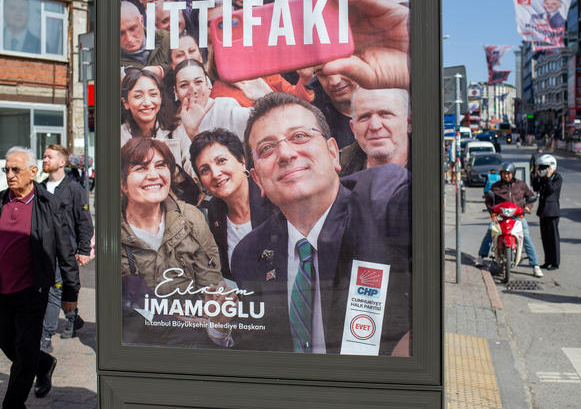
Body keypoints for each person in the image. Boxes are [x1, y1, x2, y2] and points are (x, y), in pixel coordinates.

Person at [231, 92, 411, 354]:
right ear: (257, 180)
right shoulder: (248, 255)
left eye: (300, 136)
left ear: (333, 154)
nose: (286, 153)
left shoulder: (381, 211)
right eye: (267, 148)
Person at [0, 147, 79, 409]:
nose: (10, 175)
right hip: (2, 290)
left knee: (24, 350)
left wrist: (70, 292)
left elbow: (65, 251)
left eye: (16, 169)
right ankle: (45, 363)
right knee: (4, 342)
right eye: (7, 170)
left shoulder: (49, 205)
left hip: (33, 289)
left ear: (33, 172)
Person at [120, 137, 227, 345]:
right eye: (141, 168)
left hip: (189, 339)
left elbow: (211, 282)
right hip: (135, 343)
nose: (153, 175)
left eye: (161, 165)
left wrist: (211, 313)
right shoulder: (112, 228)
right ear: (123, 183)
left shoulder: (191, 218)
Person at [189, 129, 275, 280]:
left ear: (242, 161)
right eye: (205, 170)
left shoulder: (273, 199)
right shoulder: (214, 212)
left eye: (221, 161)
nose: (215, 174)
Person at [39, 145, 93, 352]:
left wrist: (84, 249)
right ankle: (72, 318)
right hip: (44, 251)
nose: (44, 160)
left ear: (62, 162)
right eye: (43, 156)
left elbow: (84, 221)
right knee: (55, 289)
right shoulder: (41, 188)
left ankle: (45, 336)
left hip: (65, 251)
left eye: (49, 157)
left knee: (55, 290)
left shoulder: (74, 189)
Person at [476, 162, 542, 278]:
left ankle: (535, 265)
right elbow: (488, 201)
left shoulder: (521, 185)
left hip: (517, 217)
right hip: (500, 217)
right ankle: (481, 257)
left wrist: (527, 207)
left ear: (513, 174)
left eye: (508, 174)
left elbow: (531, 196)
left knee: (525, 236)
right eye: (504, 174)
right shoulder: (496, 186)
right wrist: (493, 214)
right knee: (491, 231)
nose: (506, 176)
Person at [340, 87, 410, 176]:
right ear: (353, 129)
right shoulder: (337, 173)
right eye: (364, 117)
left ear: (409, 122)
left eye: (385, 114)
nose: (374, 126)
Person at [120, 1, 172, 73]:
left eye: (132, 29)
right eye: (121, 33)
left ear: (142, 21)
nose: (129, 38)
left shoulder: (166, 39)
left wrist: (161, 70)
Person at [532, 154, 562, 270]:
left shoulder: (557, 177)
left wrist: (548, 177)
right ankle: (547, 260)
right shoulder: (543, 178)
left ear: (551, 167)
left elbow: (551, 190)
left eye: (544, 167)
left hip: (552, 212)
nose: (542, 169)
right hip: (543, 211)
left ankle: (555, 262)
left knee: (553, 238)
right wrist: (536, 176)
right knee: (545, 238)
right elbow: (536, 188)